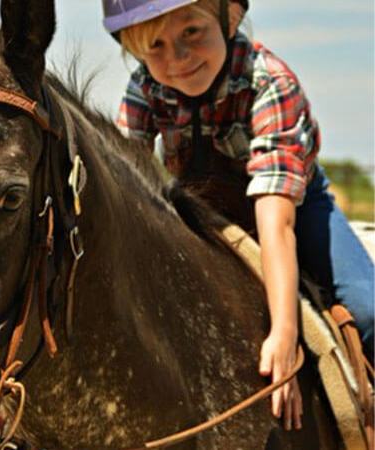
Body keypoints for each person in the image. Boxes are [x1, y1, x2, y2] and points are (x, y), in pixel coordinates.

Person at [102, 0, 374, 432]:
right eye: (155, 45)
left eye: (192, 31)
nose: (177, 58)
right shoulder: (144, 90)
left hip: (290, 208)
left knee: (366, 306)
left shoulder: (269, 81)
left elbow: (276, 222)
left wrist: (285, 336)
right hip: (202, 208)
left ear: (228, 15)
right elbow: (121, 184)